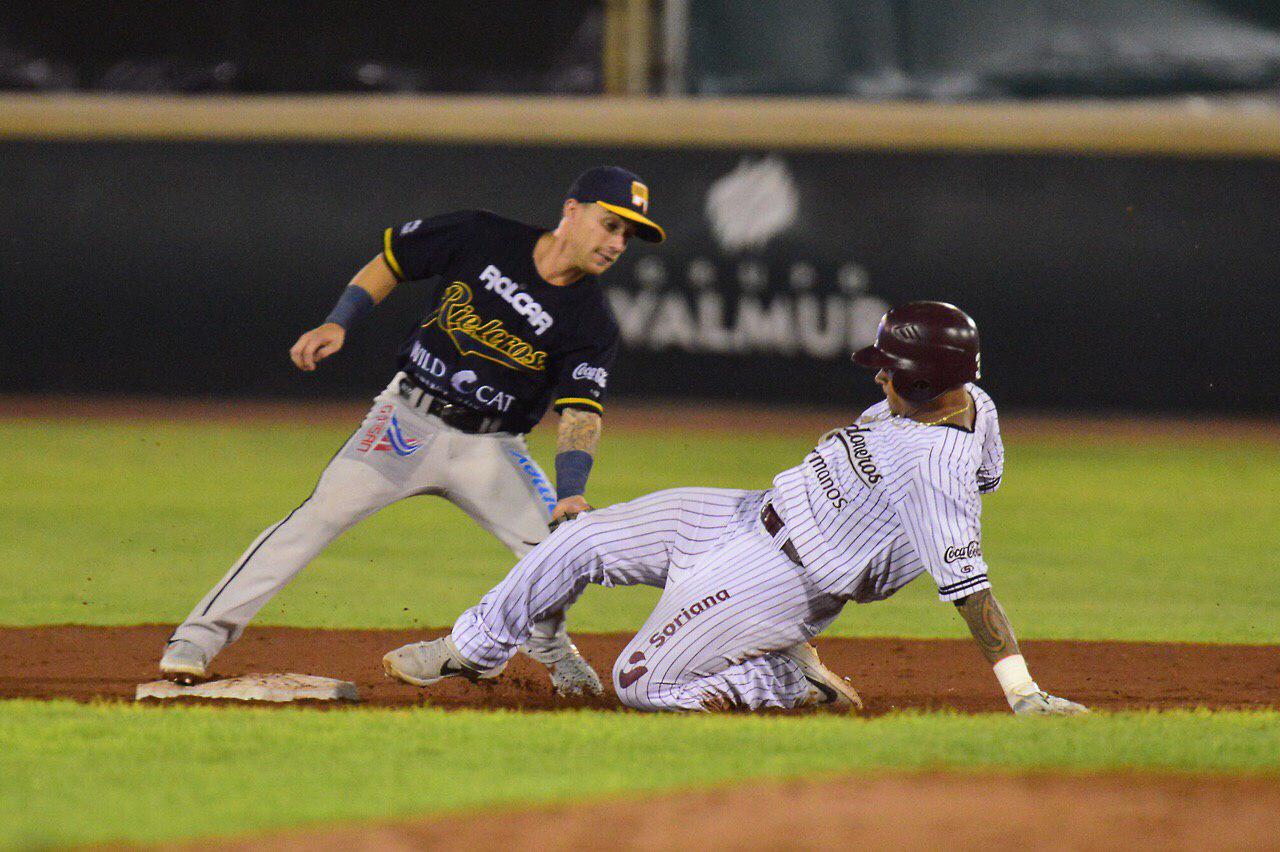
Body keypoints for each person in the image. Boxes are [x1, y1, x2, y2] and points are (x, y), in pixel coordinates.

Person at [382, 302, 1088, 715]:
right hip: (743, 513)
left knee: (639, 682)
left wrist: (1022, 692)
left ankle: (783, 676)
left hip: (783, 580)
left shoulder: (936, 467)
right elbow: (989, 474)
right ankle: (470, 652)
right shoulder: (970, 403)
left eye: (890, 367)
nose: (879, 374)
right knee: (579, 539)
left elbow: (969, 586)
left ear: (924, 381)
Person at [160, 166, 666, 696]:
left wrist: (572, 491)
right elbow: (393, 260)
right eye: (611, 225)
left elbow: (581, 413)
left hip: (491, 447)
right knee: (316, 517)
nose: (617, 244)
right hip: (404, 422)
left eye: (627, 236)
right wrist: (339, 320)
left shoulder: (592, 321)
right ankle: (195, 639)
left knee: (558, 552)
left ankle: (553, 651)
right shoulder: (482, 234)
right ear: (572, 211)